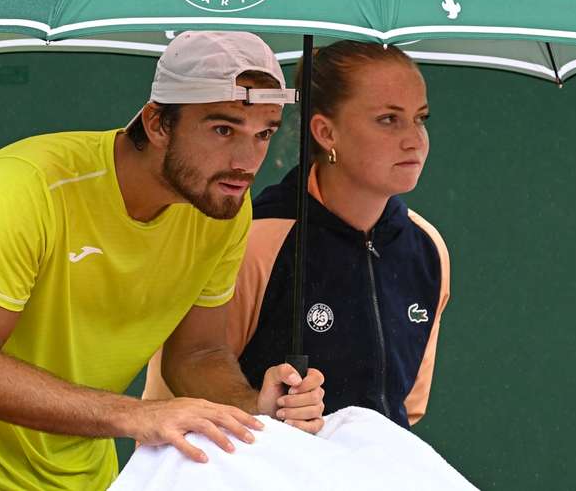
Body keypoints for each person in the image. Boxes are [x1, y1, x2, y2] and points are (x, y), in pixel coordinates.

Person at [0, 31, 326, 491]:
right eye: (222, 129)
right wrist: (139, 414)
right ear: (157, 124)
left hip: (86, 478)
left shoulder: (224, 208)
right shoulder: (25, 186)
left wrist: (255, 406)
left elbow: (197, 354)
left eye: (264, 133)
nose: (246, 160)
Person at [146, 40, 450, 429]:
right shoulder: (254, 240)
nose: (414, 139)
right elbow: (177, 390)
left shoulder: (429, 248)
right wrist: (259, 409)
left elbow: (404, 409)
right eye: (388, 119)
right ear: (325, 132)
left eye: (420, 118)